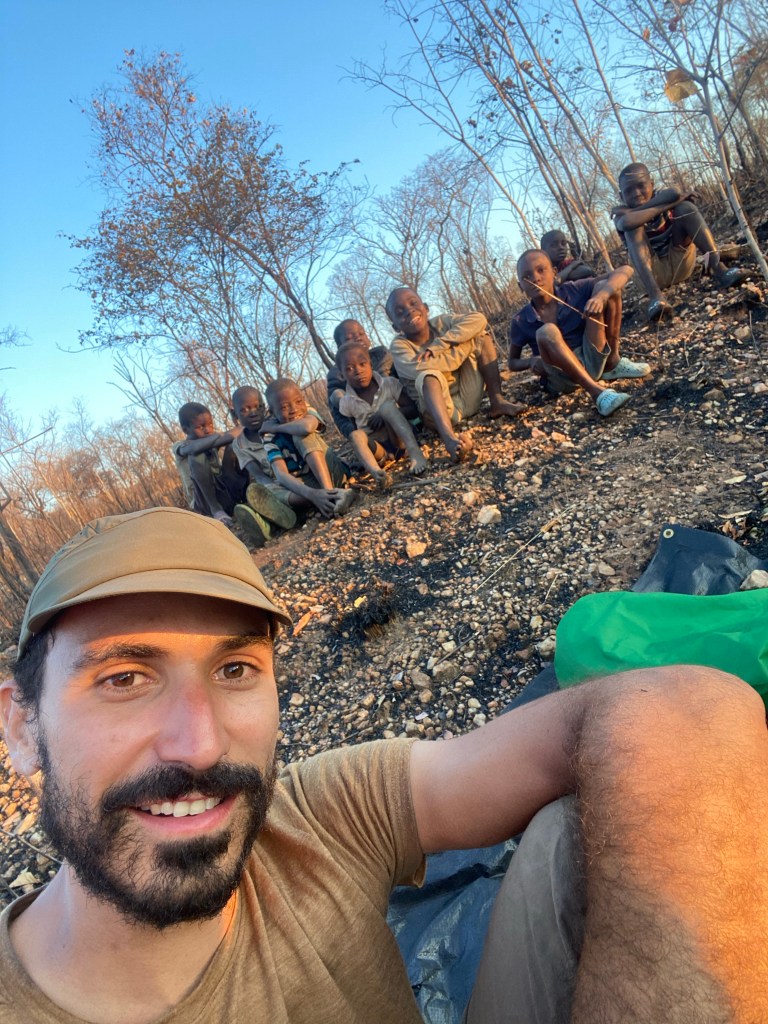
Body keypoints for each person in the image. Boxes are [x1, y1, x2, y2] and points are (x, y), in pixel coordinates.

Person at [3, 507, 768, 1023]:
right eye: (123, 679)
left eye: (235, 669)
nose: (199, 744)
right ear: (21, 724)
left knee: (605, 824)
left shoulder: (316, 820)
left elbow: (684, 710)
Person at [387, 287, 524, 463]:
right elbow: (422, 367)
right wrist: (465, 347)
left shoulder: (441, 323)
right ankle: (449, 439)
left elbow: (479, 319)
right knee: (428, 375)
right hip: (440, 413)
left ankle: (497, 401)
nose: (409, 310)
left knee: (481, 336)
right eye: (400, 312)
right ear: (395, 327)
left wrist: (441, 344)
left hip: (468, 396)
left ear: (426, 308)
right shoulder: (399, 346)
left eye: (413, 303)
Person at [509, 249, 649, 417]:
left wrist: (601, 296)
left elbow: (625, 270)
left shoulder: (573, 290)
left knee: (606, 288)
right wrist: (531, 360)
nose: (535, 279)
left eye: (541, 270)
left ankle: (613, 364)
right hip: (561, 377)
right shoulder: (520, 320)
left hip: (592, 356)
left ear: (554, 272)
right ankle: (597, 393)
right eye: (527, 276)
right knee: (546, 332)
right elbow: (512, 363)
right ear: (520, 286)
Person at [612, 162, 749, 321]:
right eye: (629, 191)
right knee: (633, 228)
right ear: (622, 196)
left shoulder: (659, 196)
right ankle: (656, 297)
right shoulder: (620, 215)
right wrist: (668, 205)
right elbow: (626, 223)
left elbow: (675, 192)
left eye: (641, 186)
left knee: (685, 207)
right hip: (651, 275)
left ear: (652, 184)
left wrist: (672, 202)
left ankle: (720, 269)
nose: (636, 193)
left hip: (680, 262)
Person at [171, 402, 271, 546]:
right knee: (197, 455)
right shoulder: (181, 446)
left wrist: (235, 427)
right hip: (204, 503)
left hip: (225, 493)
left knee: (233, 446)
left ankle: (247, 496)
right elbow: (192, 449)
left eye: (210, 425)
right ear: (185, 429)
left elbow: (233, 436)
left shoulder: (211, 439)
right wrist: (223, 435)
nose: (208, 430)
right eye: (201, 427)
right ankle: (217, 511)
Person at [335, 341, 428, 486]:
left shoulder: (389, 384)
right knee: (355, 435)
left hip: (400, 440)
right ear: (342, 375)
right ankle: (377, 473)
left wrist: (383, 416)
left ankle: (415, 452)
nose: (358, 371)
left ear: (370, 364)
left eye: (362, 364)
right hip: (380, 451)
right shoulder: (346, 402)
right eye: (349, 368)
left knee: (387, 407)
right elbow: (357, 431)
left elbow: (412, 409)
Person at [262, 377, 356, 518]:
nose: (294, 409)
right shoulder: (269, 437)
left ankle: (331, 497)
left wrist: (276, 427)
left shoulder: (308, 412)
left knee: (301, 433)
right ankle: (320, 498)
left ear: (303, 399)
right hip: (308, 486)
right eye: (284, 407)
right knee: (269, 489)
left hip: (330, 473)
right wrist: (311, 493)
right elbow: (281, 474)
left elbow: (306, 427)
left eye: (298, 401)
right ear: (272, 412)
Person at [228, 385, 301, 536]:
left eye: (257, 407)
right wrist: (275, 487)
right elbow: (260, 476)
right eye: (245, 410)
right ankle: (271, 522)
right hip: (276, 485)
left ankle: (287, 515)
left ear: (264, 408)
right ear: (235, 414)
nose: (253, 413)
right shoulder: (239, 444)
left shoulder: (278, 423)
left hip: (297, 475)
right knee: (256, 491)